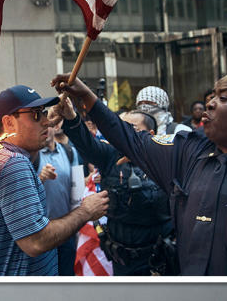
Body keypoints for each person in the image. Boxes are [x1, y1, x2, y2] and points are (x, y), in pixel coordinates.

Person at [54, 73, 227, 275]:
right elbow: (125, 137)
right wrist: (85, 96)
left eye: (224, 98)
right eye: (213, 95)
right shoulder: (188, 151)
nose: (210, 103)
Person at [0, 85, 108, 276]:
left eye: (44, 113)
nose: (46, 121)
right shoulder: (13, 164)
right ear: (9, 122)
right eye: (36, 115)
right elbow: (35, 242)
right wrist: (86, 211)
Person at [61, 104, 174, 275]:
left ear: (151, 134)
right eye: (119, 128)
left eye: (130, 129)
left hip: (161, 258)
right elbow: (86, 142)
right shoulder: (109, 155)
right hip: (123, 261)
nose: (122, 134)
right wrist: (71, 117)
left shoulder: (168, 159)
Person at [34, 121, 83, 275]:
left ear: (55, 128)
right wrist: (39, 178)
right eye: (40, 125)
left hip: (67, 231)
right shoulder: (31, 157)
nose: (44, 129)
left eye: (46, 125)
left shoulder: (69, 152)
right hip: (43, 233)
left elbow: (77, 189)